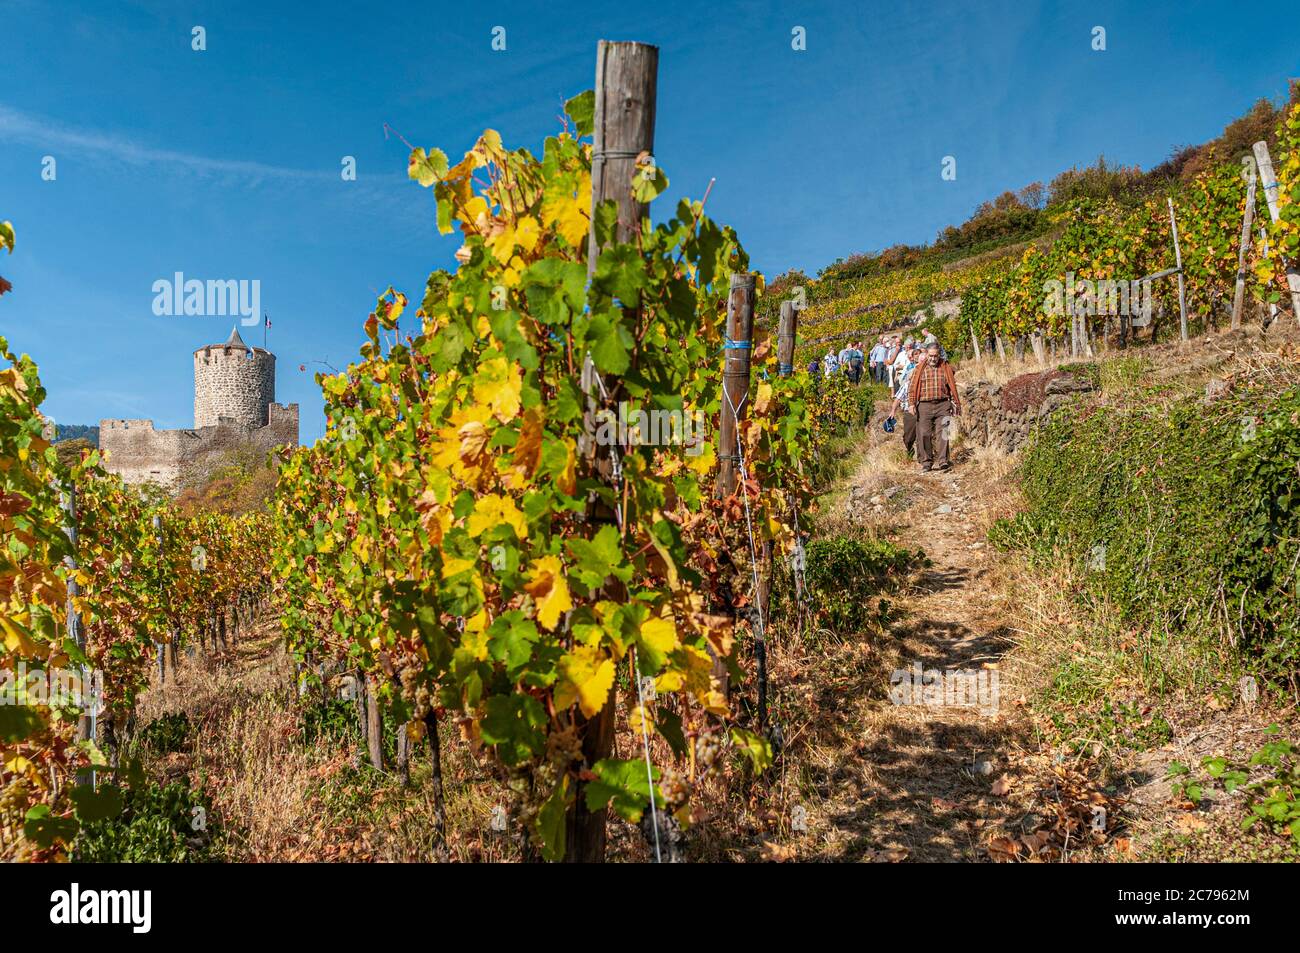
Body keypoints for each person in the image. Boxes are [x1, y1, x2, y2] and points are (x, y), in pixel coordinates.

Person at [908, 341, 961, 472]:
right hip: (924, 406)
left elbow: (952, 386)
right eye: (930, 356)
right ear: (926, 354)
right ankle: (927, 462)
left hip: (943, 404)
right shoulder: (919, 369)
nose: (933, 358)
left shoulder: (946, 367)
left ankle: (943, 460)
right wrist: (911, 404)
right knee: (924, 434)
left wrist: (955, 403)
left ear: (939, 355)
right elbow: (912, 388)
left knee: (943, 433)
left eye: (935, 356)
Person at [888, 345, 923, 458]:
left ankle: (922, 458)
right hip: (909, 412)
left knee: (922, 434)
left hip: (922, 410)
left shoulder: (924, 383)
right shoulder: (907, 385)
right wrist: (893, 411)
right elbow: (898, 398)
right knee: (908, 437)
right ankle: (909, 448)